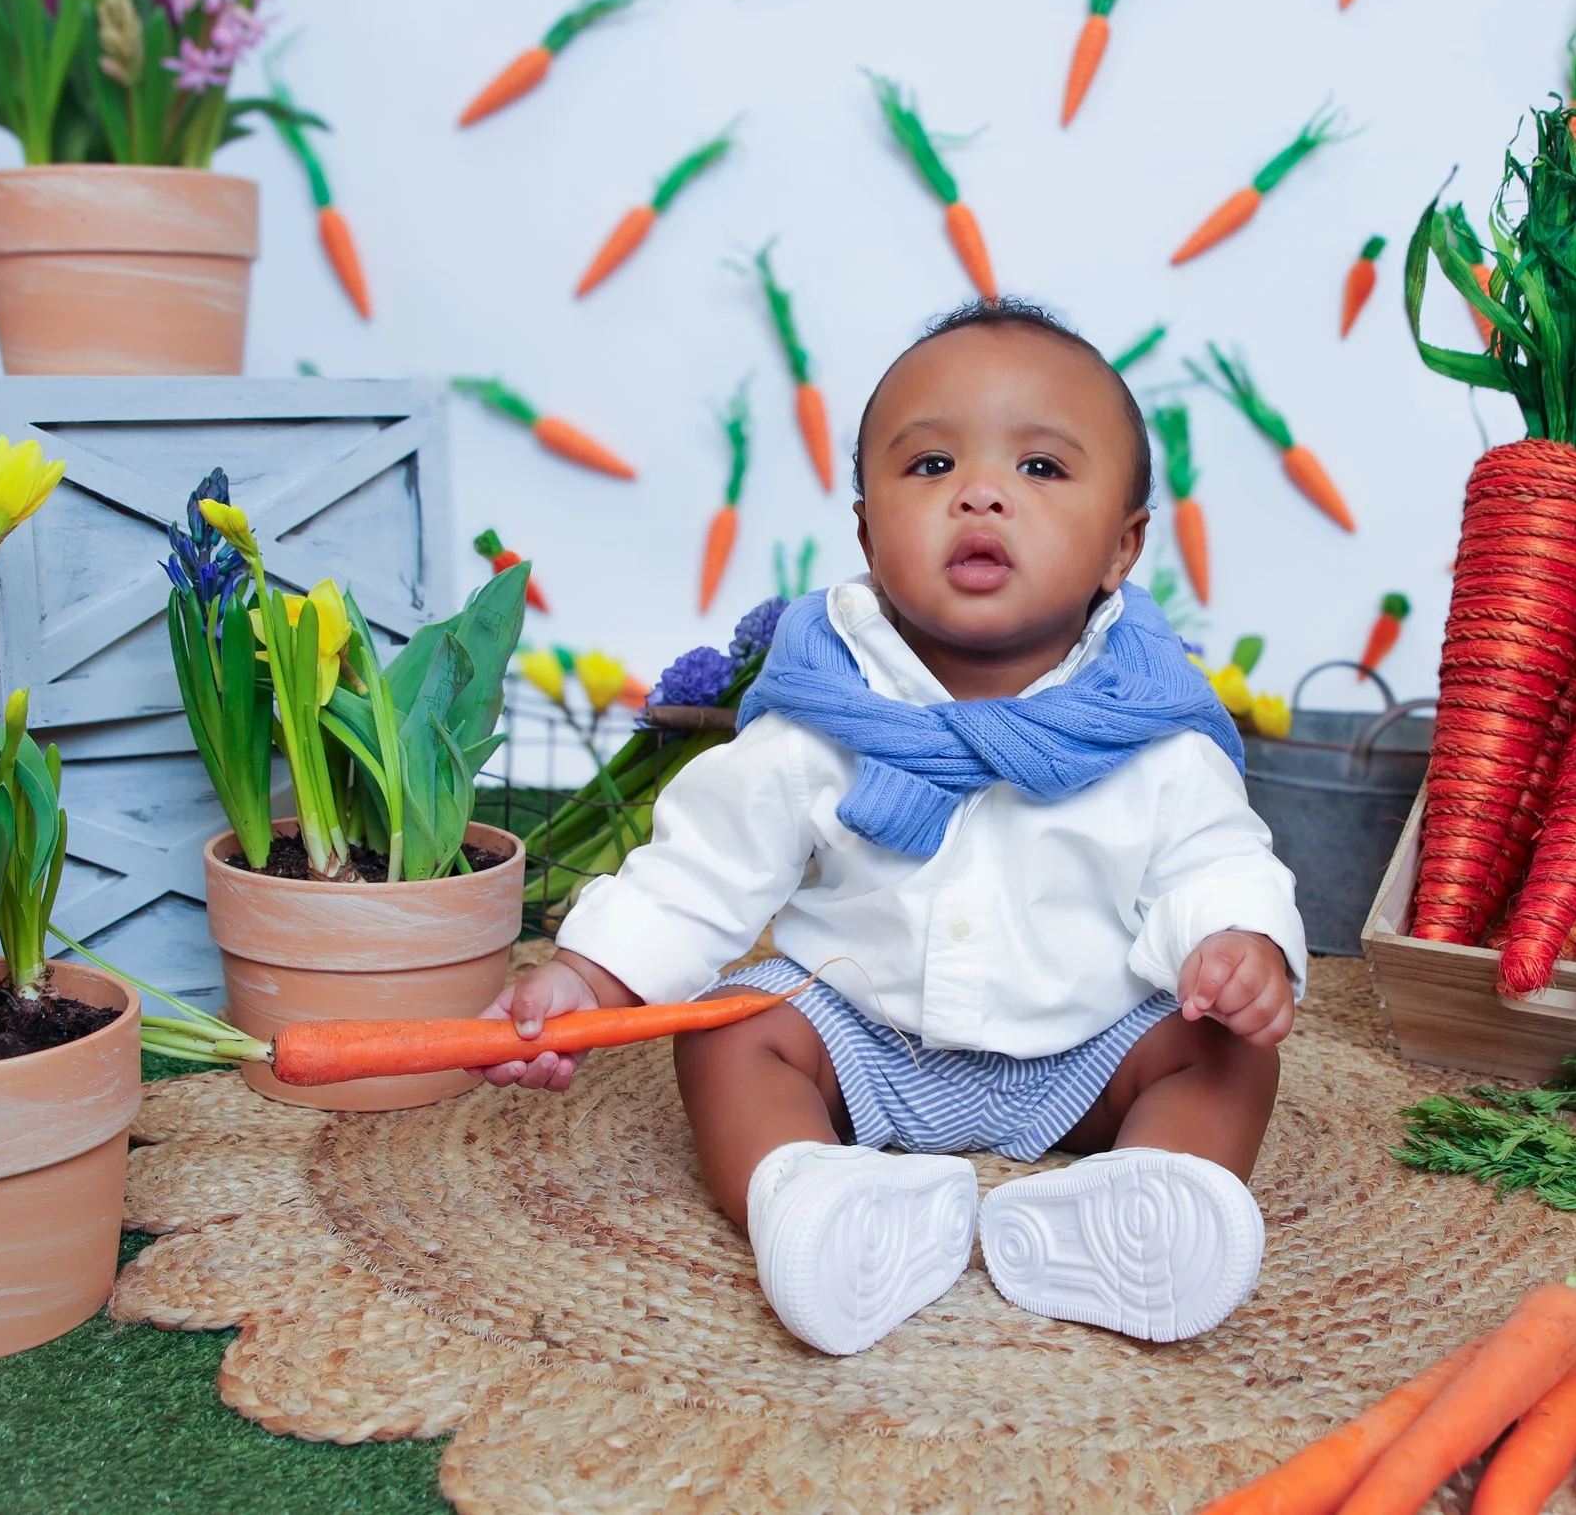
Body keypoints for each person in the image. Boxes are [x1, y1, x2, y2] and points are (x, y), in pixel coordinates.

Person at [483, 299, 1304, 1357]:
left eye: (1043, 470)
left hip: (1085, 1048)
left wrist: (1235, 943)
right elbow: (698, 870)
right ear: (868, 530)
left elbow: (1214, 854)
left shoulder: (1149, 730)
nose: (980, 490)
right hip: (861, 1039)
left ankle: (1141, 1201)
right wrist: (588, 979)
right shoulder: (824, 715)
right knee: (729, 1029)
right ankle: (816, 1196)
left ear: (1121, 547)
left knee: (1226, 1051)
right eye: (927, 466)